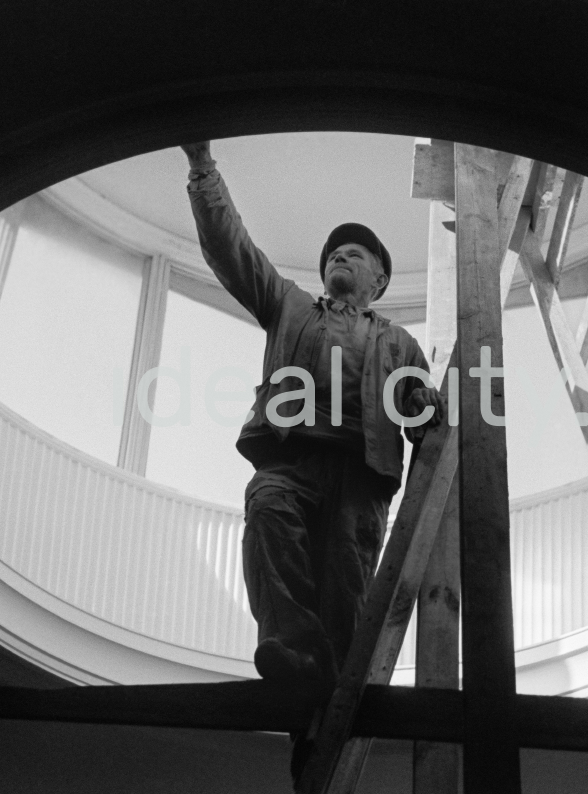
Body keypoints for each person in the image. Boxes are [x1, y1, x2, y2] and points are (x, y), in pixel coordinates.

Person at [180, 141, 445, 702]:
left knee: (347, 590)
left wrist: (429, 413)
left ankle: (324, 724)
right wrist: (202, 167)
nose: (339, 260)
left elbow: (419, 414)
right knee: (269, 509)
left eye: (354, 254)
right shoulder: (290, 307)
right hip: (290, 457)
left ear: (379, 279)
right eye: (333, 255)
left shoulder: (399, 343)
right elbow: (233, 252)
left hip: (360, 475)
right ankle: (295, 651)